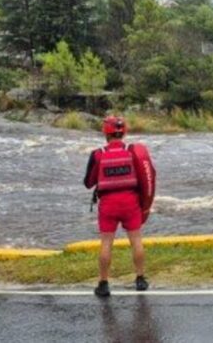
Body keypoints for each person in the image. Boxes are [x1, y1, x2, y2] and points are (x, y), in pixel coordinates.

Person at [85, 116, 156, 297]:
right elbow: (146, 176)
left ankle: (103, 283)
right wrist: (144, 204)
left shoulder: (98, 154)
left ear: (106, 133)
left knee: (106, 243)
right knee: (136, 241)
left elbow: (88, 182)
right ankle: (140, 279)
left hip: (108, 205)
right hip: (130, 203)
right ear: (123, 132)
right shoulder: (133, 152)